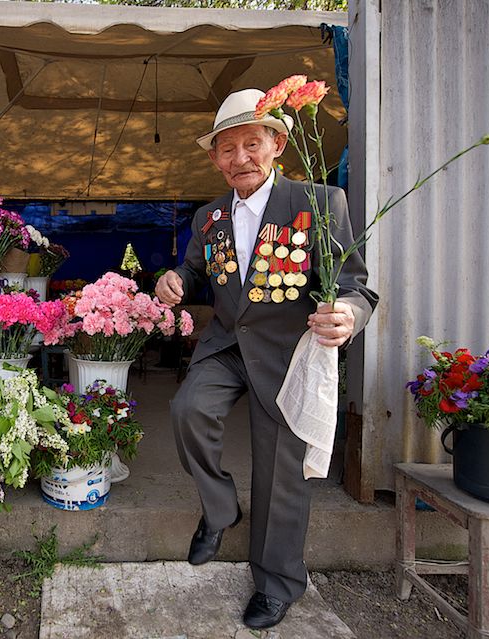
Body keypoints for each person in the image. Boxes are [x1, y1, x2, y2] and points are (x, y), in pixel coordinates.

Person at [155, 88, 377, 630]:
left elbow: (355, 287)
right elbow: (196, 273)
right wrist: (175, 280)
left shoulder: (321, 203)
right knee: (188, 411)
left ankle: (277, 582)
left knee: (281, 475)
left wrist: (347, 313)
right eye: (226, 150)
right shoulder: (208, 218)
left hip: (287, 354)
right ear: (214, 158)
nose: (240, 160)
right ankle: (220, 509)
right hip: (227, 345)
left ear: (276, 144)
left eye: (252, 144)